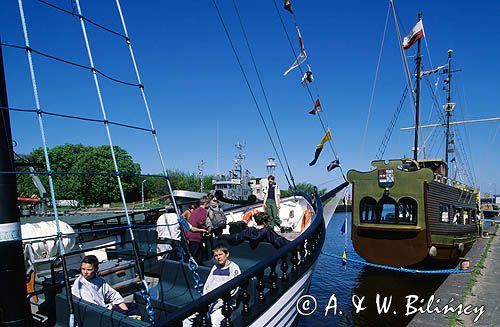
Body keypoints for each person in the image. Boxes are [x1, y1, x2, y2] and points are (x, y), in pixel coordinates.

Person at [183, 245, 240, 327]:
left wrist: (215, 299)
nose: (218, 258)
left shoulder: (234, 268)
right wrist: (207, 299)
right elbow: (207, 285)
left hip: (224, 303)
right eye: (216, 256)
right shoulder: (215, 267)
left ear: (227, 254)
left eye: (220, 254)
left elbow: (234, 290)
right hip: (209, 301)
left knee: (214, 321)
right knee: (187, 317)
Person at [72, 255, 138, 316]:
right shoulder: (80, 284)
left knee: (136, 308)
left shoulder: (99, 280)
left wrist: (124, 308)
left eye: (89, 270)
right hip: (100, 313)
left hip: (106, 308)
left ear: (96, 269)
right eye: (83, 269)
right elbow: (93, 307)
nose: (85, 272)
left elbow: (113, 294)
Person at [219, 212, 289, 249]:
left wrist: (223, 236)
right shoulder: (268, 232)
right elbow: (279, 241)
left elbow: (236, 237)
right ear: (265, 223)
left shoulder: (248, 231)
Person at [185, 196, 210, 262]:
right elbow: (200, 222)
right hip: (196, 236)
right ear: (205, 203)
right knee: (197, 257)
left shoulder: (195, 210)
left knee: (191, 255)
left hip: (189, 234)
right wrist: (206, 229)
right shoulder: (203, 211)